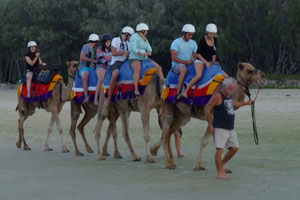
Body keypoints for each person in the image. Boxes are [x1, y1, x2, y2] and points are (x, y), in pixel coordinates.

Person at [204, 78, 254, 179]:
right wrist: (210, 125)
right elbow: (207, 109)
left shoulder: (229, 95)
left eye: (233, 89)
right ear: (224, 86)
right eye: (230, 88)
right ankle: (220, 173)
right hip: (220, 127)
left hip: (230, 127)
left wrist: (247, 103)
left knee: (235, 148)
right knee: (219, 150)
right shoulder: (218, 96)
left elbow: (234, 104)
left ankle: (221, 165)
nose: (231, 90)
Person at [129, 23, 164, 96]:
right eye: (146, 31)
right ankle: (136, 89)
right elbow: (133, 49)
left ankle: (163, 86)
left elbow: (149, 47)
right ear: (142, 31)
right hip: (134, 58)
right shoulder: (134, 37)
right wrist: (143, 53)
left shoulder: (144, 38)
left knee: (159, 68)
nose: (147, 32)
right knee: (138, 70)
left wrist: (150, 51)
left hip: (144, 58)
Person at [170, 24, 202, 99]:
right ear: (184, 33)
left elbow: (196, 55)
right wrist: (186, 62)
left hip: (189, 63)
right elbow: (173, 58)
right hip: (177, 65)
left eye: (192, 35)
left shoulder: (193, 43)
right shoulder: (176, 42)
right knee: (184, 70)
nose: (190, 36)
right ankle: (178, 92)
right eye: (189, 34)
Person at [105, 26, 134, 105]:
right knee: (115, 74)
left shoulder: (128, 43)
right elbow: (114, 53)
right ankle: (109, 97)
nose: (131, 38)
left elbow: (127, 55)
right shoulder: (116, 40)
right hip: (116, 63)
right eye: (130, 35)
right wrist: (125, 52)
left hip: (125, 62)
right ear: (127, 34)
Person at [79, 33, 99, 103]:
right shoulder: (86, 46)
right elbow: (82, 57)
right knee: (85, 76)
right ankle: (86, 95)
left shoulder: (93, 48)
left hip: (92, 68)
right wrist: (92, 60)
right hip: (84, 68)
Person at [94, 34, 112, 105]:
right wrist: (108, 63)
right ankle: (96, 98)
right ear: (103, 42)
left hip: (109, 66)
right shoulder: (99, 49)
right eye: (107, 42)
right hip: (101, 66)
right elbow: (101, 59)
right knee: (101, 79)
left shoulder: (112, 49)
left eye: (109, 42)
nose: (108, 44)